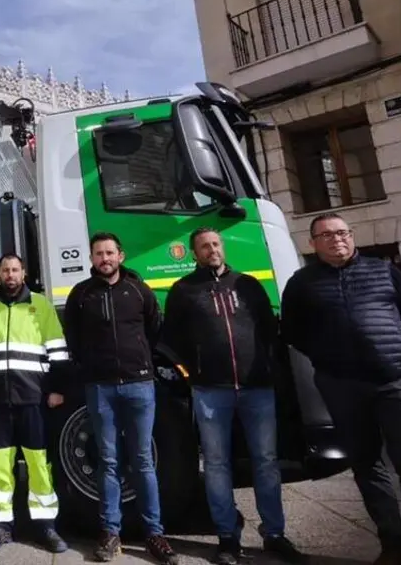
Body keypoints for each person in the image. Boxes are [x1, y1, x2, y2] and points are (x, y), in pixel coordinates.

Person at [281, 213, 401, 565]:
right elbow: (293, 331)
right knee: (366, 464)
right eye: (326, 235)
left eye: (342, 233)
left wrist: (398, 351)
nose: (336, 240)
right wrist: (326, 357)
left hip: (396, 381)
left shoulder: (384, 270)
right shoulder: (302, 282)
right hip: (341, 385)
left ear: (352, 235)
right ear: (313, 243)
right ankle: (393, 544)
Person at [162, 228, 305, 565]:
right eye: (204, 247)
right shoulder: (183, 290)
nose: (211, 250)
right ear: (194, 253)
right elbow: (171, 339)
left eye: (215, 244)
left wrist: (269, 370)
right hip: (210, 391)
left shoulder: (248, 285)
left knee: (266, 462)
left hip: (257, 388)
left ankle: (274, 534)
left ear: (221, 248)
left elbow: (269, 332)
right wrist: (192, 372)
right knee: (215, 465)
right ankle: (227, 537)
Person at [63, 232, 178, 564]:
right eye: (98, 254)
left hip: (139, 385)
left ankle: (155, 534)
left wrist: (141, 362)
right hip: (100, 388)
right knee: (109, 462)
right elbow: (72, 336)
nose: (104, 258)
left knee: (143, 460)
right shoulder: (81, 294)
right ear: (92, 259)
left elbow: (155, 328)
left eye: (109, 252)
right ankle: (110, 533)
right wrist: (89, 367)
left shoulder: (138, 290)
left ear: (121, 256)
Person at [0, 254, 69, 553]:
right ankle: (1, 525)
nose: (10, 275)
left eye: (15, 269)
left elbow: (58, 350)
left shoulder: (40, 305)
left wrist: (57, 389)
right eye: (5, 270)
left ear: (23, 273)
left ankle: (45, 526)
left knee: (40, 465)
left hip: (34, 399)